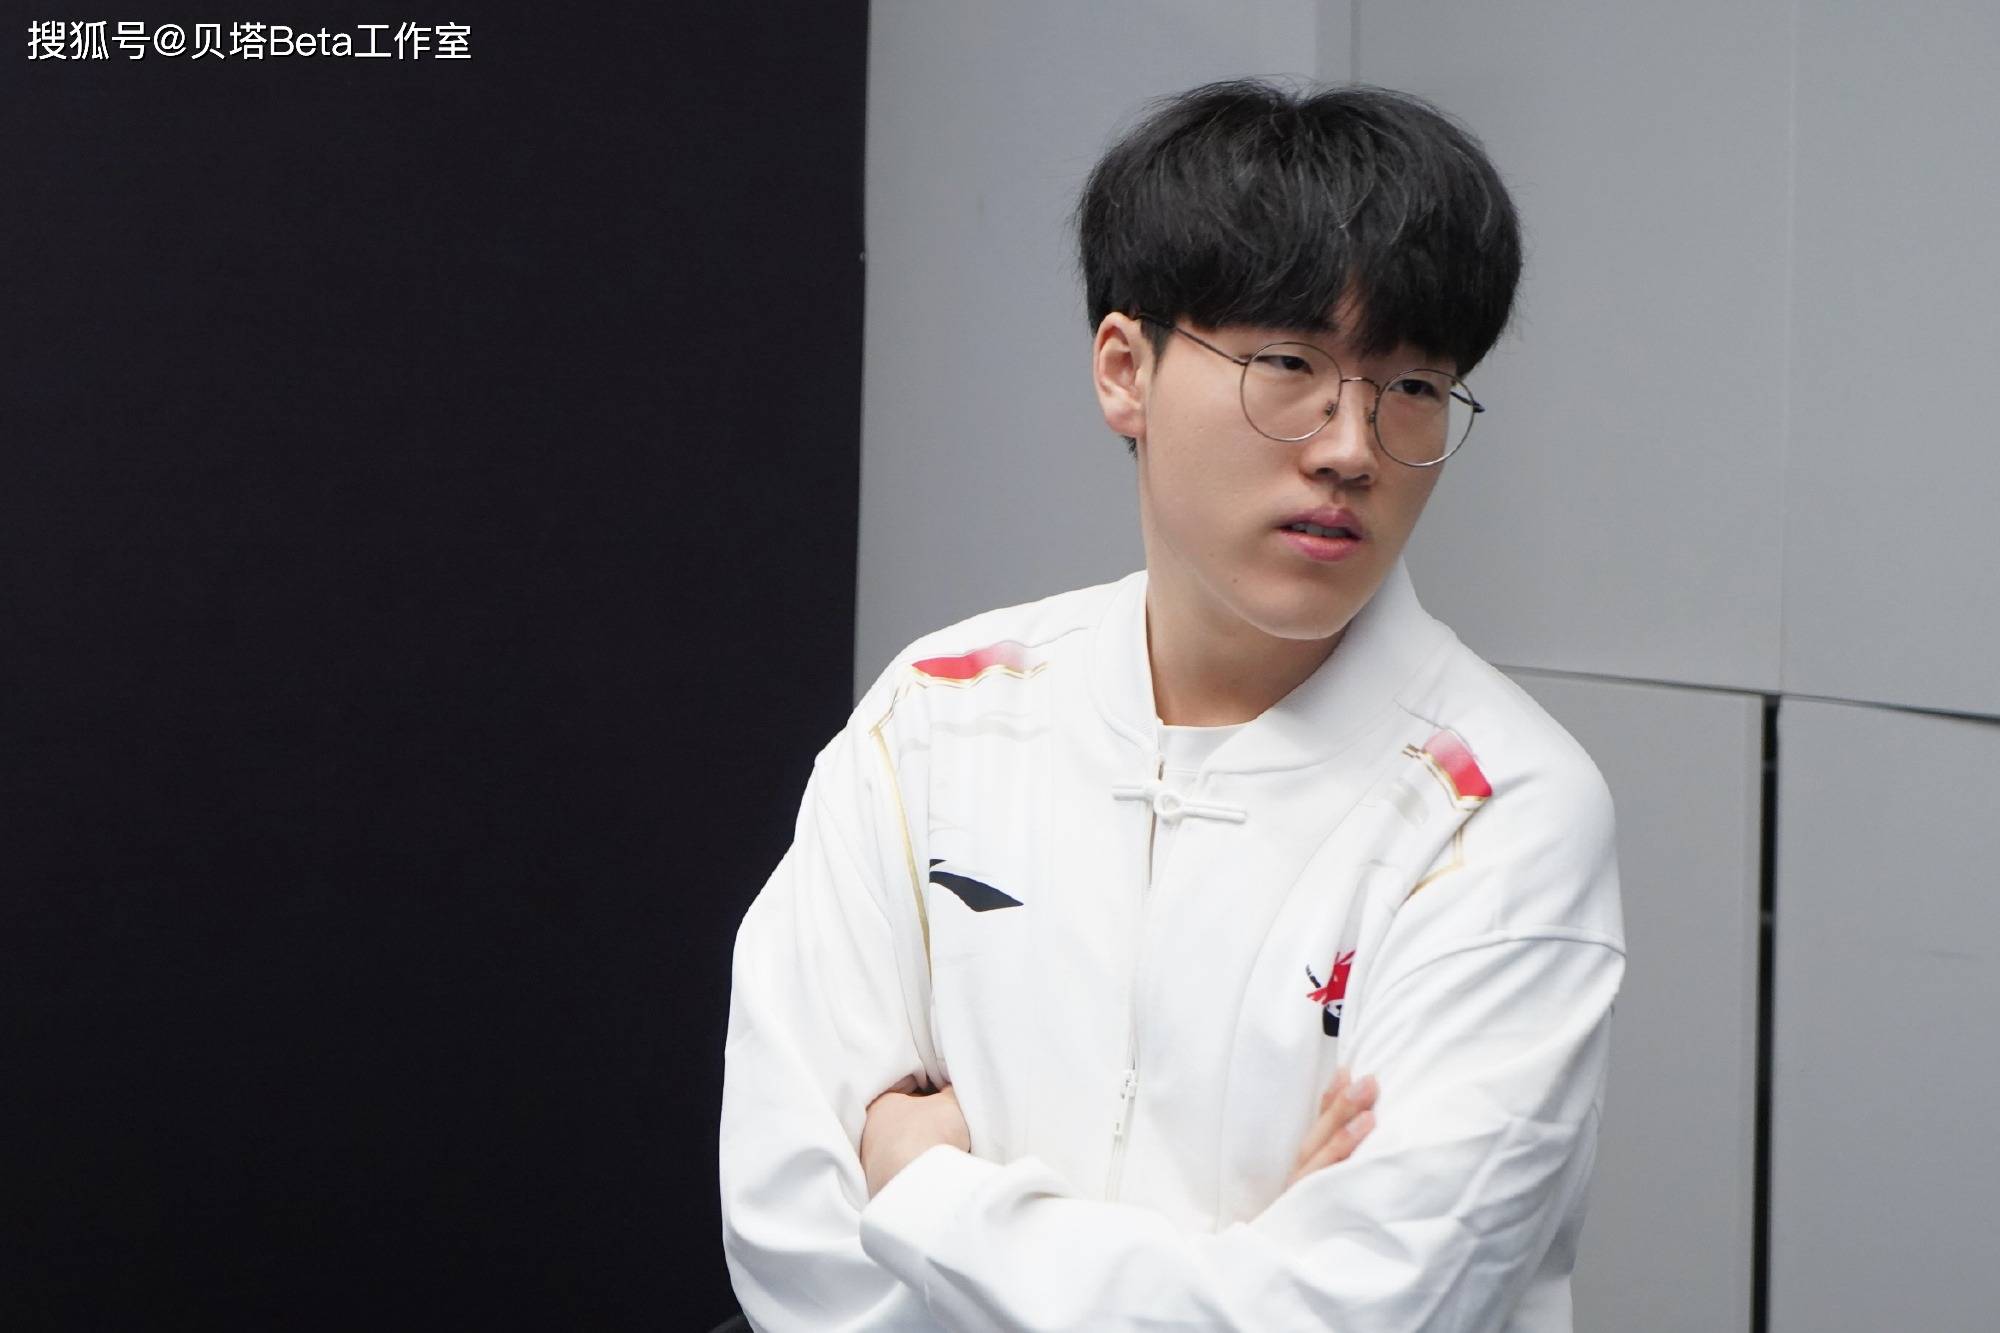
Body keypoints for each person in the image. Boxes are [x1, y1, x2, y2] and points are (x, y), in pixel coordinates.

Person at [718, 79, 1624, 1331]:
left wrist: (925, 1192)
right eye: (1288, 364)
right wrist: (1223, 1264)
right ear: (1123, 370)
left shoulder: (1501, 810)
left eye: (1412, 386)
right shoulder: (936, 719)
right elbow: (793, 1243)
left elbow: (1345, 1315)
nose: (1350, 446)